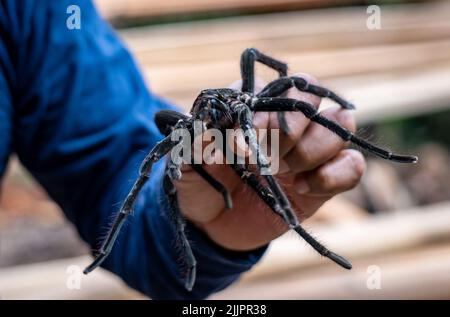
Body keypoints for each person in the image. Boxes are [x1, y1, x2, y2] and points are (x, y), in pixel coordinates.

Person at [0, 0, 365, 299]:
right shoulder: (194, 128)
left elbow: (111, 163)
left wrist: (204, 228)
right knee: (167, 160)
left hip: (228, 131)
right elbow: (149, 162)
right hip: (196, 128)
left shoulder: (31, 12)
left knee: (292, 99)